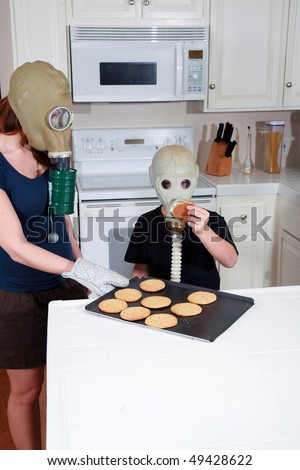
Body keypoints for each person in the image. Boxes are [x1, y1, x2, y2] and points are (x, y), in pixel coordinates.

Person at [0, 62, 128, 450]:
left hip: (63, 281)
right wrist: (82, 268)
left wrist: (79, 267)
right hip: (17, 294)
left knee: (71, 379)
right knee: (27, 389)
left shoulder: (51, 148)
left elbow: (62, 216)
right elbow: (16, 246)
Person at [125, 145, 238, 289]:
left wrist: (203, 231)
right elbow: (140, 270)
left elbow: (230, 261)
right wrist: (135, 294)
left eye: (185, 183)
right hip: (161, 298)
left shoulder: (211, 220)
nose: (177, 193)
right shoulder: (146, 222)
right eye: (166, 184)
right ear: (153, 178)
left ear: (195, 177)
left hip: (205, 300)